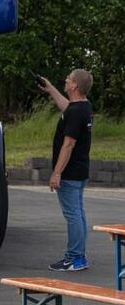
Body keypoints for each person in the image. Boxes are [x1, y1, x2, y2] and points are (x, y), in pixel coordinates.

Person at [38, 69, 94, 271]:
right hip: (80, 170)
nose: (66, 80)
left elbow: (68, 144)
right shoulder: (82, 107)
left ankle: (74, 257)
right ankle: (79, 256)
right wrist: (50, 88)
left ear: (75, 86)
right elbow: (67, 108)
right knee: (78, 213)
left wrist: (57, 172)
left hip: (69, 173)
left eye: (69, 79)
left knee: (73, 215)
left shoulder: (77, 112)